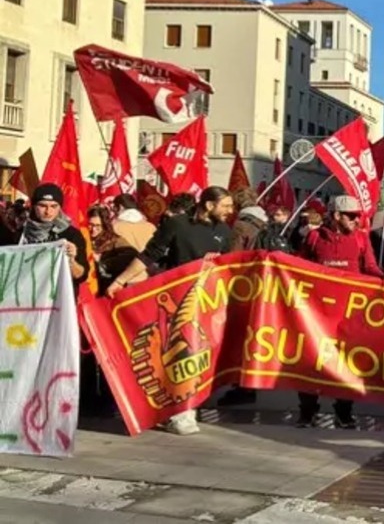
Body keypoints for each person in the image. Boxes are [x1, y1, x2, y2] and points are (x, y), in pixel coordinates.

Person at [108, 186, 235, 435]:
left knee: (200, 356)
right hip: (176, 301)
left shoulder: (224, 231)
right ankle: (179, 413)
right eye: (226, 206)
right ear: (209, 205)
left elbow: (228, 265)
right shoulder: (176, 225)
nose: (231, 211)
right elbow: (149, 256)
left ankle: (189, 406)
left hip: (208, 303)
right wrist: (120, 281)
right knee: (178, 352)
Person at [296, 196, 384, 429]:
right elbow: (298, 267)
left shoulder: (360, 238)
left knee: (347, 363)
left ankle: (344, 412)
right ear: (336, 216)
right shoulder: (314, 237)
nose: (357, 220)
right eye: (352, 216)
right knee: (311, 361)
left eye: (358, 215)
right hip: (318, 314)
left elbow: (371, 268)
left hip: (349, 315)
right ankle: (307, 412)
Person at [12, 184, 89, 283]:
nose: (48, 211)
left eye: (54, 206)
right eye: (42, 206)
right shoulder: (20, 233)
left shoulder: (72, 234)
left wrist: (71, 261)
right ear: (34, 206)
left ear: (60, 207)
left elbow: (80, 276)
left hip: (59, 295)